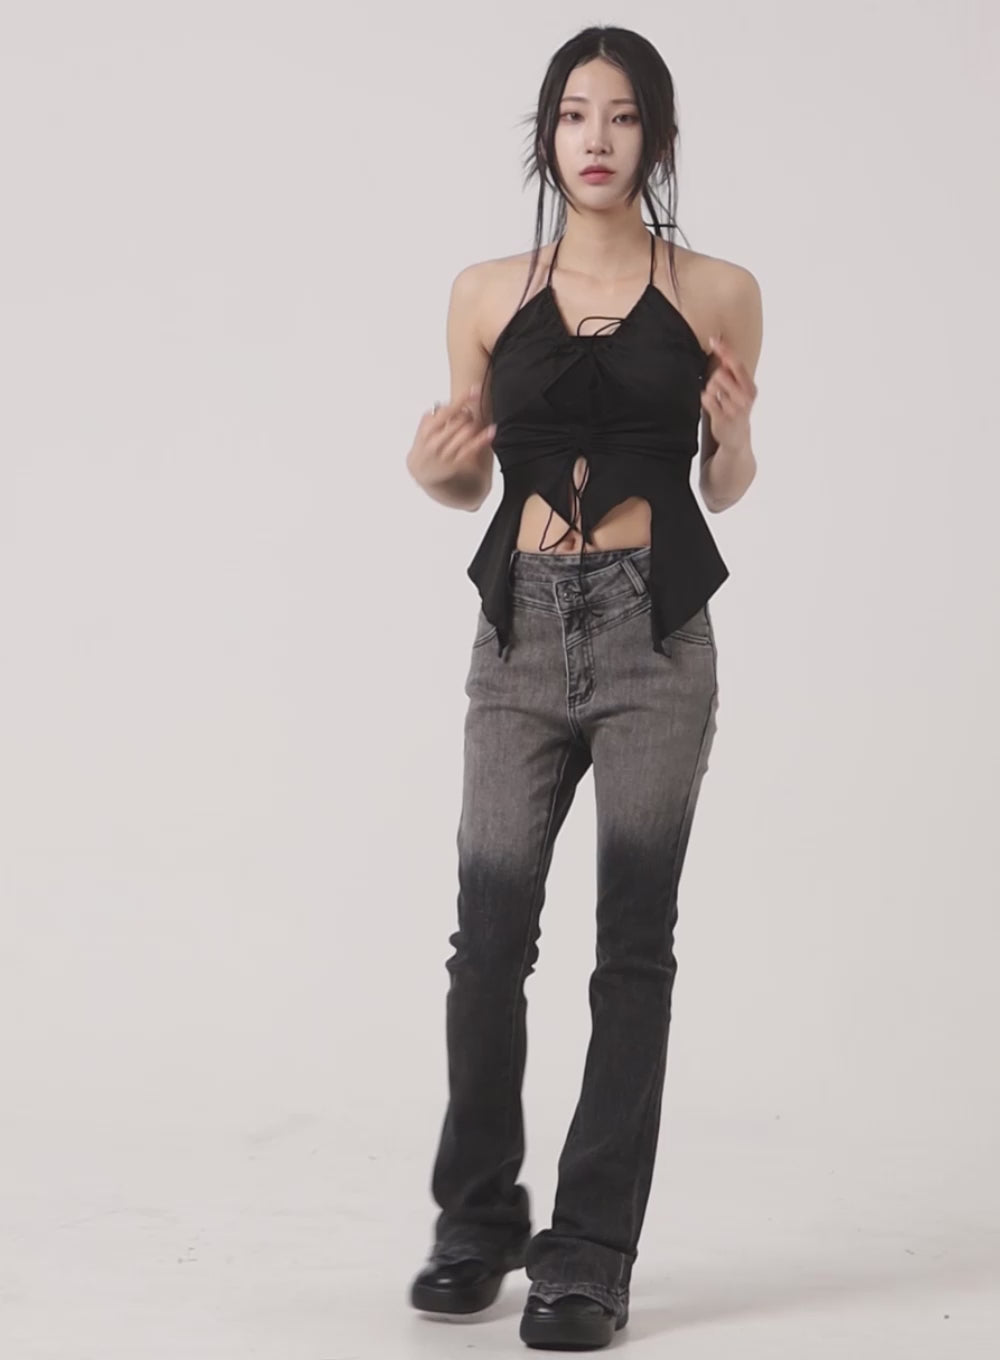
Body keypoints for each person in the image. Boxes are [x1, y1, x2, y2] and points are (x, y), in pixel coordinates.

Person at [405, 24, 761, 1352]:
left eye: (620, 116)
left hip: (655, 632)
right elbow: (467, 477)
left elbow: (724, 483)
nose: (595, 139)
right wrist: (430, 466)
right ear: (546, 135)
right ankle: (478, 1217)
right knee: (488, 940)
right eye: (572, 115)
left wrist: (734, 441)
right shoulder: (485, 292)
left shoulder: (719, 290)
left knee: (632, 949)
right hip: (519, 631)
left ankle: (591, 1252)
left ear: (654, 138)